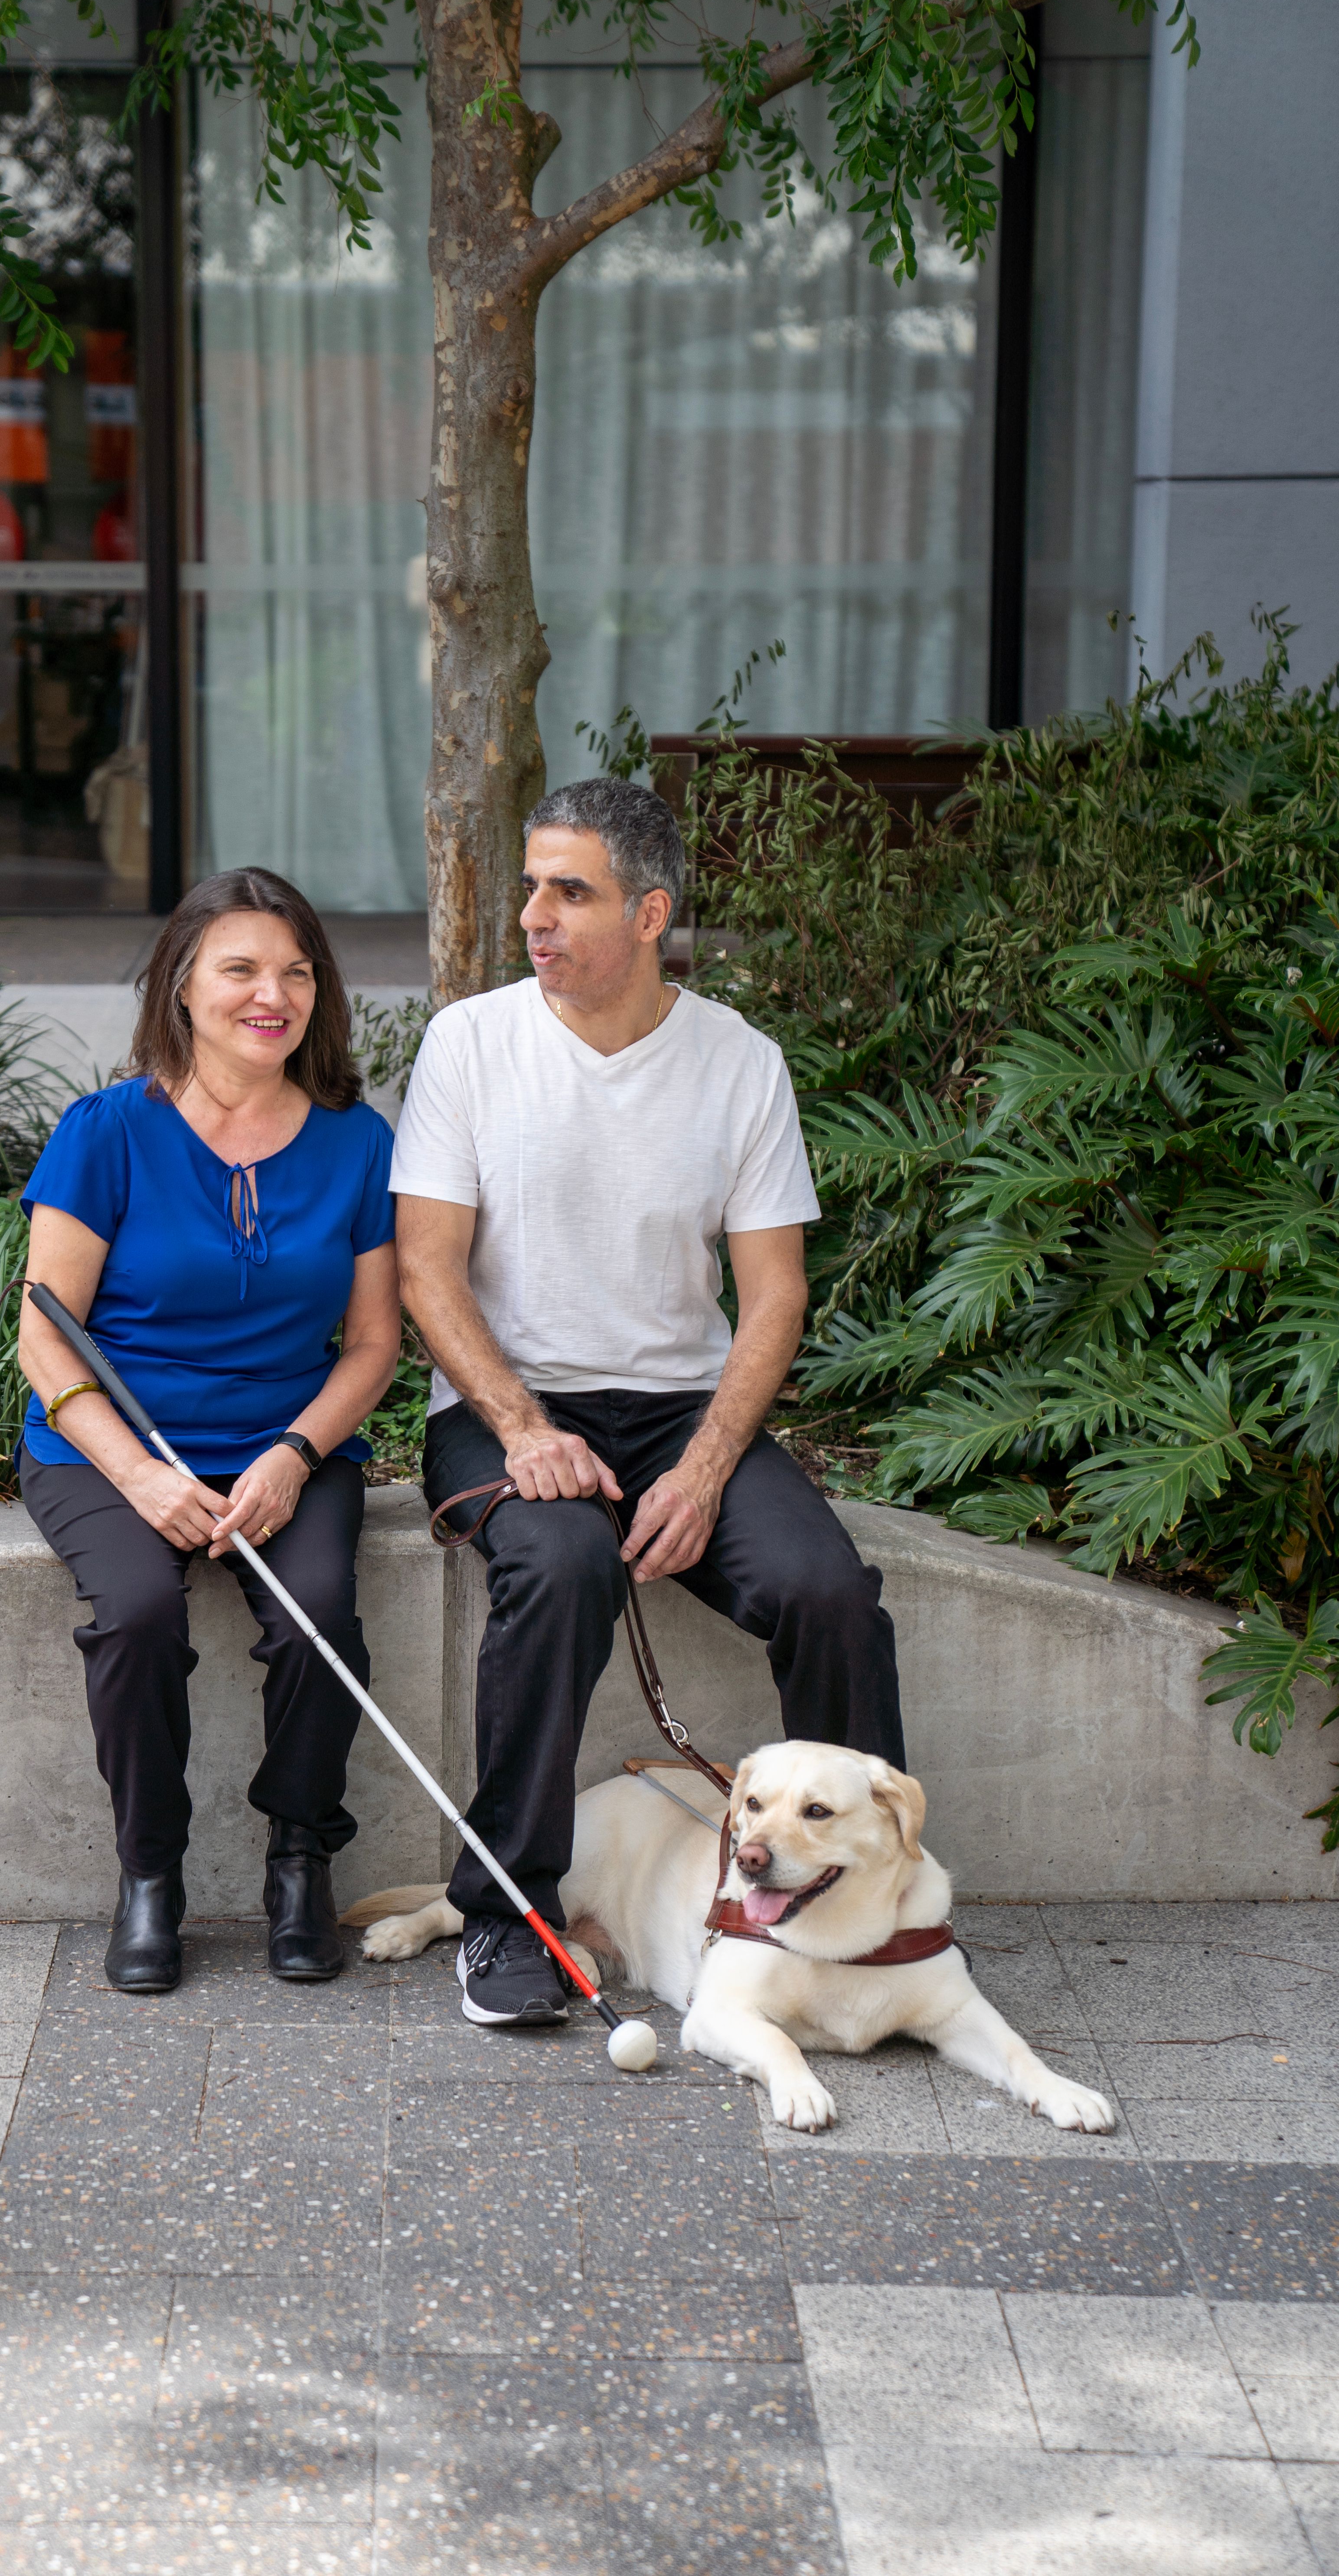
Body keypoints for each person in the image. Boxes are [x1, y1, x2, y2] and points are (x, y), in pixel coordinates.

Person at [391, 776, 905, 2030]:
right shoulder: (470, 1043)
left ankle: (872, 1909)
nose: (534, 916)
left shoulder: (738, 1062)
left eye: (570, 892)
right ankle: (510, 1913)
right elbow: (426, 1270)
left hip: (683, 1410)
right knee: (564, 1565)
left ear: (651, 913)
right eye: (532, 888)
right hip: (506, 1404)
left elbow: (773, 1294)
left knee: (830, 1596)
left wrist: (709, 1465)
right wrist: (524, 1428)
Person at [18, 867, 400, 1995]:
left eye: (296, 972)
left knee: (320, 1619)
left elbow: (373, 1345)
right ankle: (151, 1874)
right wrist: (141, 1478)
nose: (272, 995)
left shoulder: (356, 1143)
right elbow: (44, 1336)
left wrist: (295, 1455)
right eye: (241, 970)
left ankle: (300, 1859)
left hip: (289, 1440)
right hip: (109, 1447)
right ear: (183, 987)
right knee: (138, 1616)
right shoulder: (107, 1132)